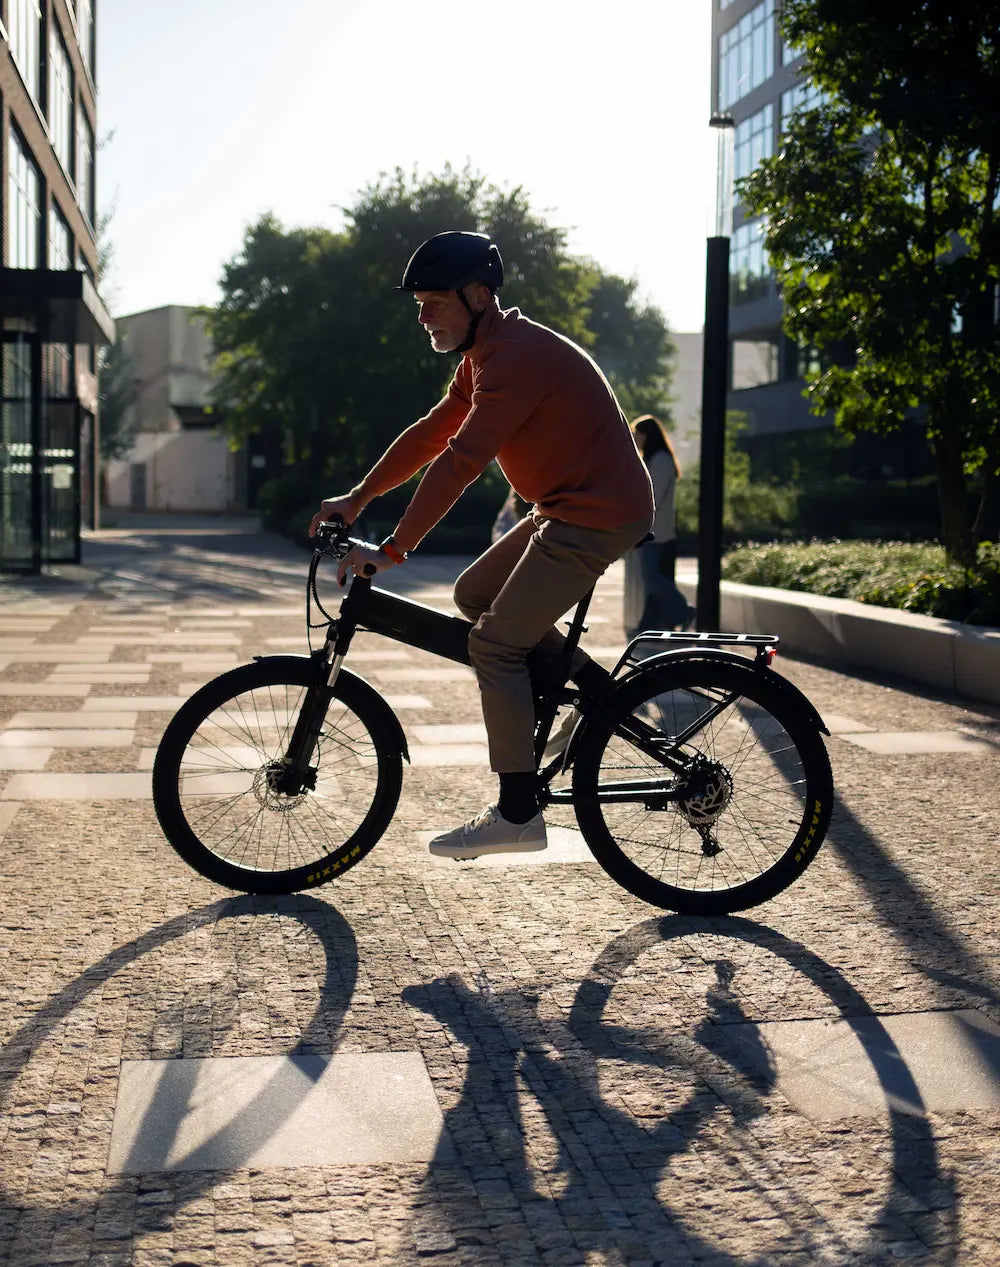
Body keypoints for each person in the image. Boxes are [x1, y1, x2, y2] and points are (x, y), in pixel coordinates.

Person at [309, 231, 653, 859]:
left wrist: (392, 550)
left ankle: (518, 813)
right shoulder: (484, 357)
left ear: (478, 296)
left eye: (433, 303)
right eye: (419, 305)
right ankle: (595, 696)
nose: (422, 317)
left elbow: (462, 460)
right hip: (563, 509)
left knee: (494, 644)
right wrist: (357, 498)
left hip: (597, 516)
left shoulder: (515, 357)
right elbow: (431, 435)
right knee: (474, 594)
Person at [622, 414, 694, 640]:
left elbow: (653, 497)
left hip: (656, 532)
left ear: (647, 435)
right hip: (651, 531)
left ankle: (684, 611)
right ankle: (650, 625)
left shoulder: (661, 460)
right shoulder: (655, 459)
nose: (635, 439)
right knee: (651, 580)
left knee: (652, 578)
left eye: (637, 434)